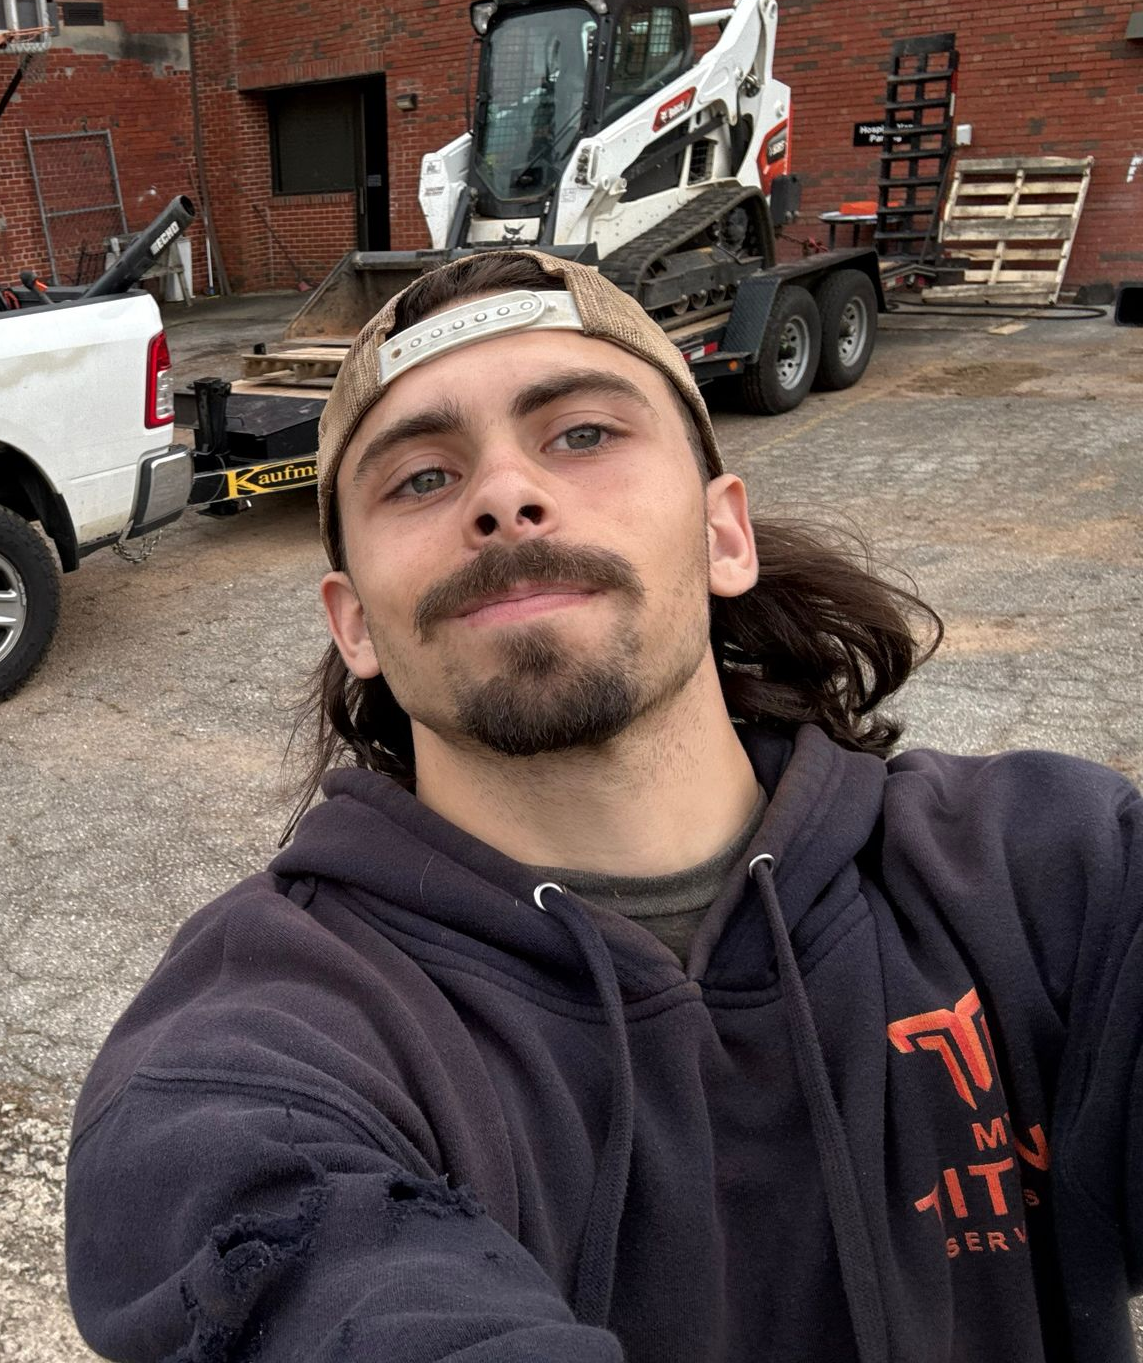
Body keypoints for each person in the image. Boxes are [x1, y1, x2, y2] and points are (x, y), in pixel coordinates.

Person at [66, 250, 1142, 1363]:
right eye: (421, 478)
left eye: (582, 434)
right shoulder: (249, 1054)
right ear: (356, 627)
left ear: (726, 534)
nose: (505, 495)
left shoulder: (1057, 877)